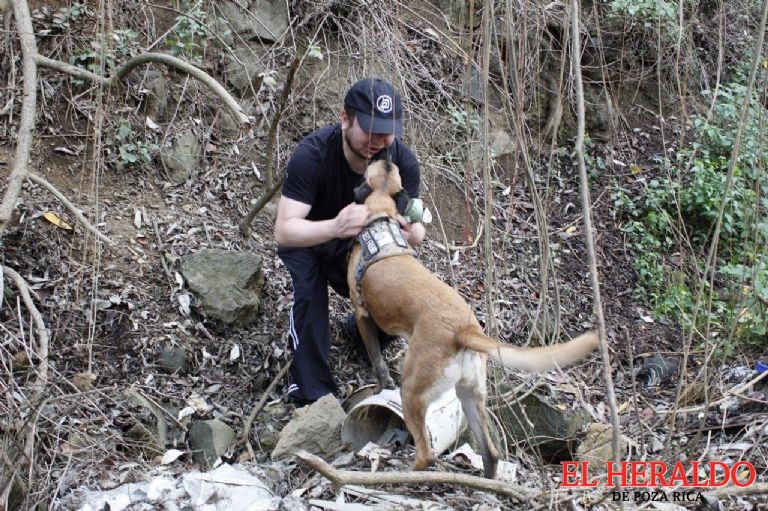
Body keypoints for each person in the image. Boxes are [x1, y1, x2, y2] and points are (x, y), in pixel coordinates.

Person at [274, 78, 426, 405]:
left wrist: (413, 234)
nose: (379, 140)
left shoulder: (402, 162)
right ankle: (313, 395)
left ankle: (360, 337)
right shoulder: (312, 155)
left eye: (387, 131)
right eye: (370, 129)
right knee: (309, 296)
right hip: (311, 241)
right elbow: (284, 230)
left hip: (361, 249)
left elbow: (415, 226)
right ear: (345, 118)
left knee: (398, 285)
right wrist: (335, 226)